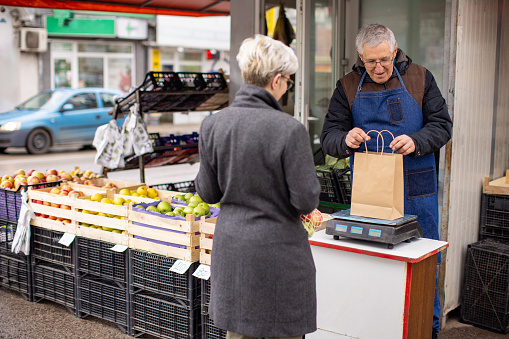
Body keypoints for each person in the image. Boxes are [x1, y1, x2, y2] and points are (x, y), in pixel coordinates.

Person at [321, 24, 452, 339]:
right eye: (370, 62)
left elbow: (442, 125)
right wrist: (346, 138)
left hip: (418, 191)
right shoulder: (347, 86)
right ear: (360, 56)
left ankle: (427, 330)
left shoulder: (421, 78)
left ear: (394, 51)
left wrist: (417, 141)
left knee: (422, 266)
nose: (378, 68)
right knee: (374, 264)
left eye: (384, 60)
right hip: (372, 194)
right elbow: (329, 137)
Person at [195, 34, 321, 339]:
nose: (288, 86)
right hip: (278, 255)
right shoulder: (289, 130)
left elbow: (207, 193)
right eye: (289, 80)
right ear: (277, 80)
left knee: (239, 332)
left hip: (232, 250)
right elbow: (305, 199)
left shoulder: (213, 124)